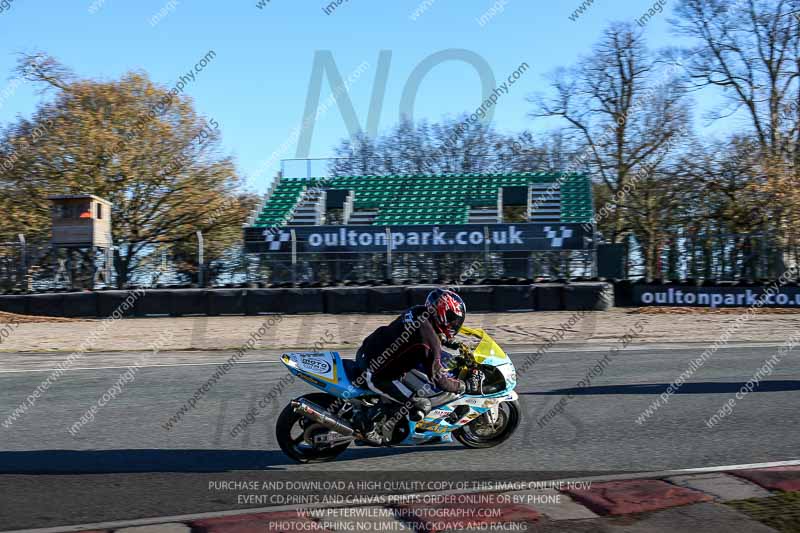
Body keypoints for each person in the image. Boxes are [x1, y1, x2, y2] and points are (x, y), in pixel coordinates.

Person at [355, 288, 485, 423]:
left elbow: (419, 336)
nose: (454, 324)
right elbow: (438, 379)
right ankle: (367, 424)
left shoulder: (418, 311)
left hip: (367, 351)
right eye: (452, 319)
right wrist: (461, 386)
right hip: (375, 374)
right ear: (442, 314)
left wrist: (450, 343)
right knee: (421, 405)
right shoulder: (429, 341)